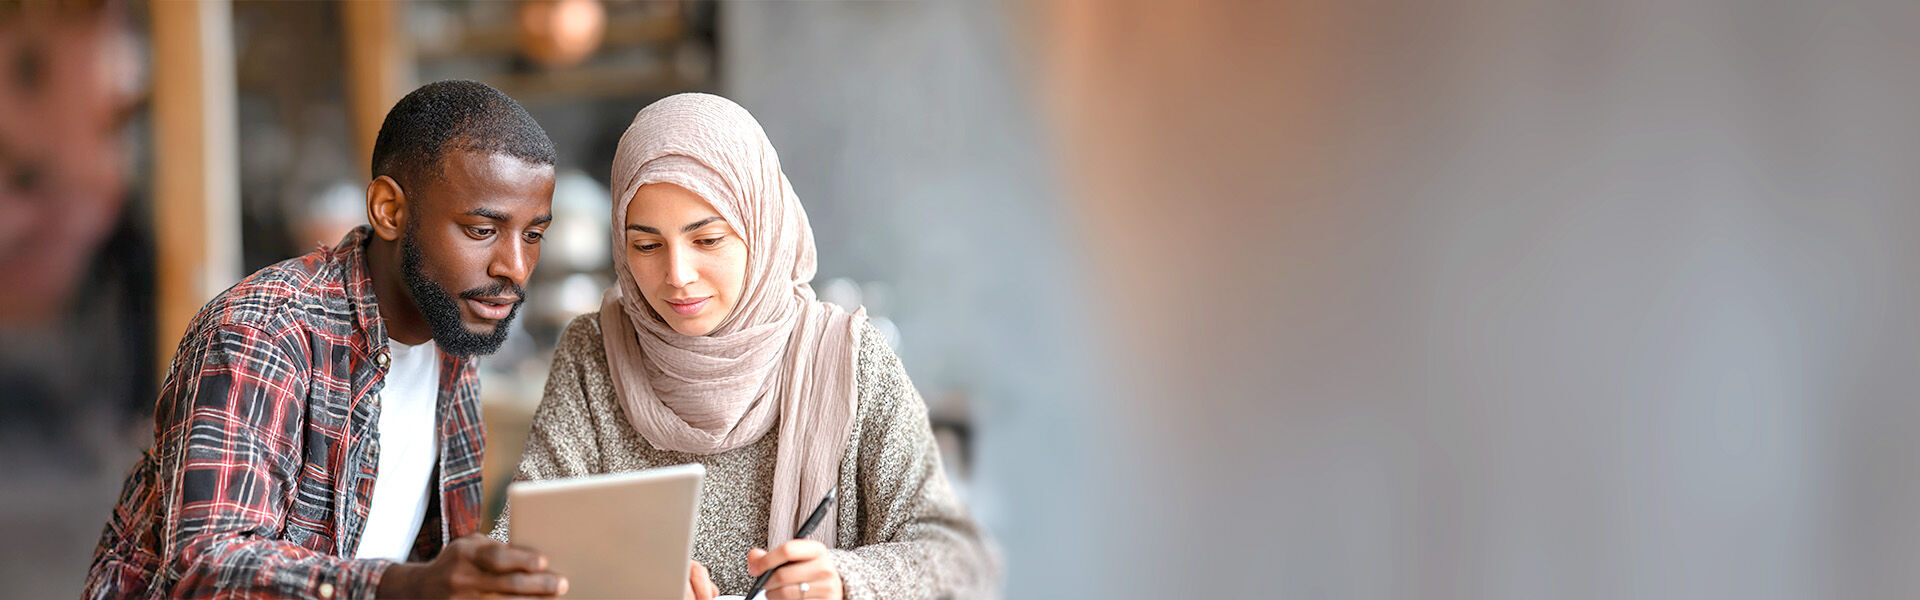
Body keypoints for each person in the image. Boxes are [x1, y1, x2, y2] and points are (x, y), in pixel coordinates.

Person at [491, 93, 998, 600]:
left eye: (708, 240)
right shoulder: (595, 353)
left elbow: (959, 558)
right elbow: (521, 551)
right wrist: (621, 586)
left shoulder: (846, 359)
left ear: (763, 228)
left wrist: (846, 582)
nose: (677, 276)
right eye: (646, 246)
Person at [84, 80, 569, 600]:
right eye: (481, 230)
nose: (515, 268)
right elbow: (207, 564)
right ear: (389, 210)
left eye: (533, 235)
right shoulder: (264, 331)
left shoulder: (453, 338)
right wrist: (402, 587)